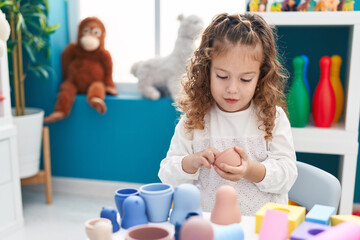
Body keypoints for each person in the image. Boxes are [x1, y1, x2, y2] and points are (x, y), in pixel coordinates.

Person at [158, 12, 297, 216]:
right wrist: (193, 161)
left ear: (261, 76)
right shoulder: (195, 120)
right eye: (222, 76)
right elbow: (166, 174)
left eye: (245, 79)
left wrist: (250, 170)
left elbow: (287, 174)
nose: (232, 89)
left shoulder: (272, 118)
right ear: (207, 70)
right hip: (213, 227)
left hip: (262, 230)